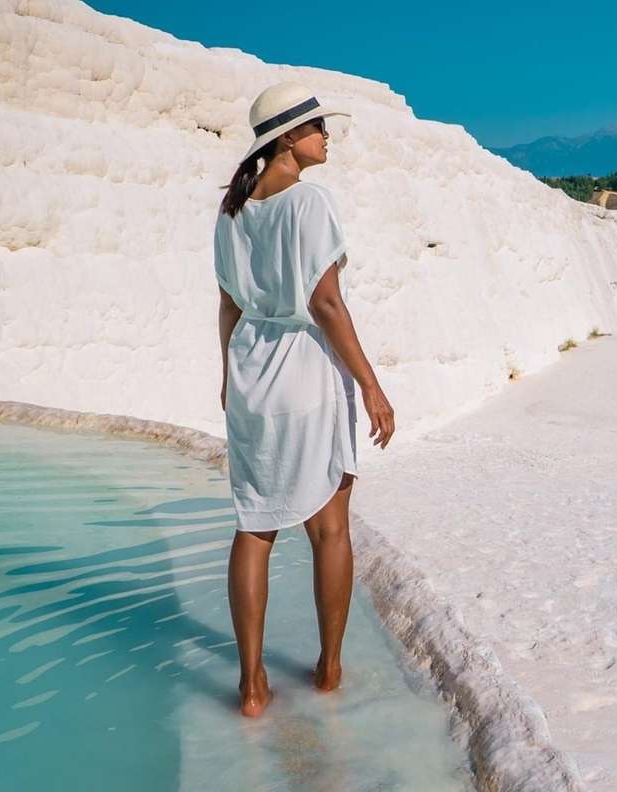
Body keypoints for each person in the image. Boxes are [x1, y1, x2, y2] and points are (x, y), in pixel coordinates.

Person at [214, 83, 396, 717]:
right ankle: (329, 669)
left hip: (250, 368)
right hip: (305, 369)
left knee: (254, 524)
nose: (327, 135)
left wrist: (226, 376)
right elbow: (324, 304)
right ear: (288, 139)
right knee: (330, 526)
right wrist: (372, 385)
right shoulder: (310, 201)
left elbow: (229, 304)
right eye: (317, 126)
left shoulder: (232, 212)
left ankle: (252, 684)